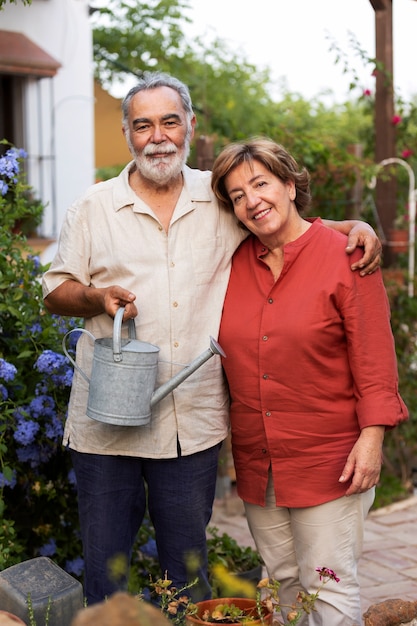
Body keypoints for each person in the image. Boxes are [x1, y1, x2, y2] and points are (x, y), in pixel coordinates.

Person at [42, 71, 382, 606]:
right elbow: (54, 289)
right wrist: (94, 297)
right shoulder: (92, 207)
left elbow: (283, 223)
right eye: (143, 125)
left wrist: (351, 227)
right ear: (128, 134)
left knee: (187, 568)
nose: (158, 136)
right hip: (104, 421)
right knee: (106, 568)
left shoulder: (221, 197)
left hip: (189, 422)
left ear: (190, 126)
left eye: (170, 121)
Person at [210, 137, 408, 626]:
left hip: (331, 456)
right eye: (237, 195)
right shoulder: (232, 263)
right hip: (259, 459)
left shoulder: (346, 257)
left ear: (290, 185)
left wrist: (372, 437)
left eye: (261, 183)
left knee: (329, 584)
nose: (252, 200)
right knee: (282, 580)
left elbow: (376, 360)